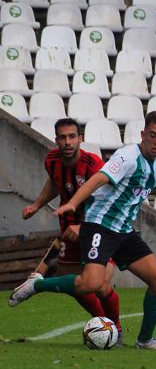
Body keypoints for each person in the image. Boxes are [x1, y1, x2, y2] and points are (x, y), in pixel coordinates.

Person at [9, 111, 156, 350]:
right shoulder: (127, 157)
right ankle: (37, 284)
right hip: (99, 225)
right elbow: (99, 178)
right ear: (143, 134)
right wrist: (74, 202)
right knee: (90, 284)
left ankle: (145, 340)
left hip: (124, 232)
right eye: (153, 136)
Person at [12, 118, 123, 342]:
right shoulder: (52, 161)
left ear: (80, 139)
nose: (67, 142)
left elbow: (111, 202)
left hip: (100, 230)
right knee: (73, 282)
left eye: (72, 136)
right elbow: (55, 182)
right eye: (62, 137)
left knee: (99, 284)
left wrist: (82, 227)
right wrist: (36, 205)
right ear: (56, 140)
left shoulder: (93, 166)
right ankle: (106, 326)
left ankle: (116, 328)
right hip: (68, 231)